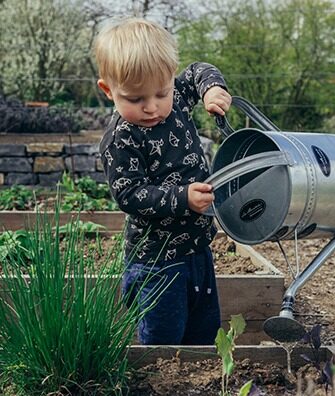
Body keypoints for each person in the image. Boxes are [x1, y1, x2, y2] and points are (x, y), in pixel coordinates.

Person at [95, 17, 231, 345]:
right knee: (163, 338)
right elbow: (130, 194)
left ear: (170, 79)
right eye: (135, 99)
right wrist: (182, 198)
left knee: (204, 330)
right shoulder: (121, 139)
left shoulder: (178, 99)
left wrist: (212, 88)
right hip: (156, 262)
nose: (152, 107)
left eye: (161, 92)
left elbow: (199, 69)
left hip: (198, 248)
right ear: (108, 90)